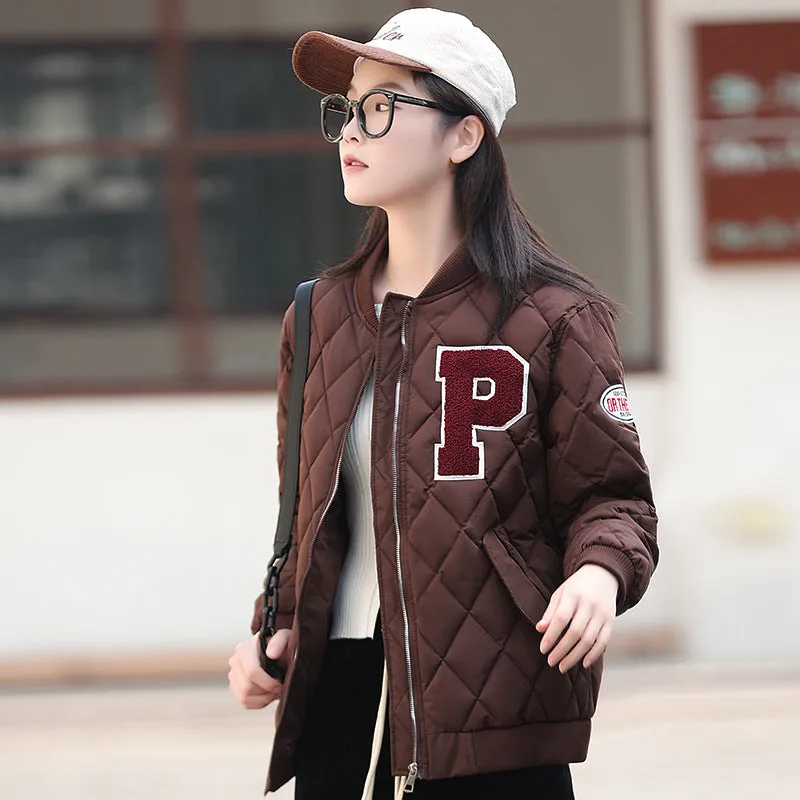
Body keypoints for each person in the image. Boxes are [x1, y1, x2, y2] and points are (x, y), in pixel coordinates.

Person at [228, 8, 659, 800]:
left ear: (464, 136)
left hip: (493, 705)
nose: (351, 129)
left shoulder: (555, 318)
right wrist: (274, 623)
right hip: (340, 702)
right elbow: (310, 515)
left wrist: (598, 575)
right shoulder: (318, 316)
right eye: (346, 109)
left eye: (381, 106)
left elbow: (615, 499)